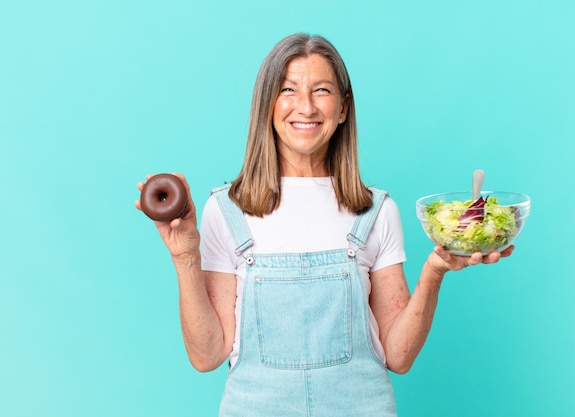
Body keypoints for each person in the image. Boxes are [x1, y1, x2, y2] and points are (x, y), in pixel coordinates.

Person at [136, 33, 514, 416]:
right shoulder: (227, 210)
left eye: (321, 90)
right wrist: (185, 256)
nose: (305, 106)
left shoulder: (375, 211)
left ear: (344, 108)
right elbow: (207, 354)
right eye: (288, 89)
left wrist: (434, 272)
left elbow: (398, 357)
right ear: (267, 104)